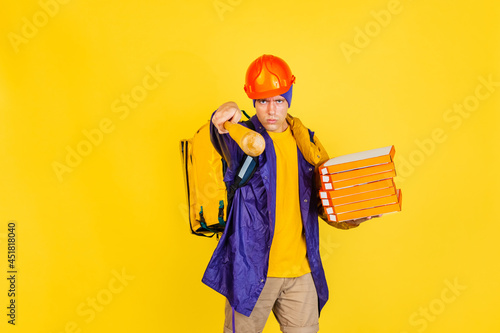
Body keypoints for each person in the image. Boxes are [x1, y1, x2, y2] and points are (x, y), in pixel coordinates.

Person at [202, 54, 375, 333]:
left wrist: (353, 215)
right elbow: (219, 131)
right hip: (252, 271)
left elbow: (321, 202)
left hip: (300, 273)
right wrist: (225, 111)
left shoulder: (305, 142)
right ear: (253, 101)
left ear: (289, 100)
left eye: (279, 100)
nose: (271, 110)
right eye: (263, 101)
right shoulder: (242, 139)